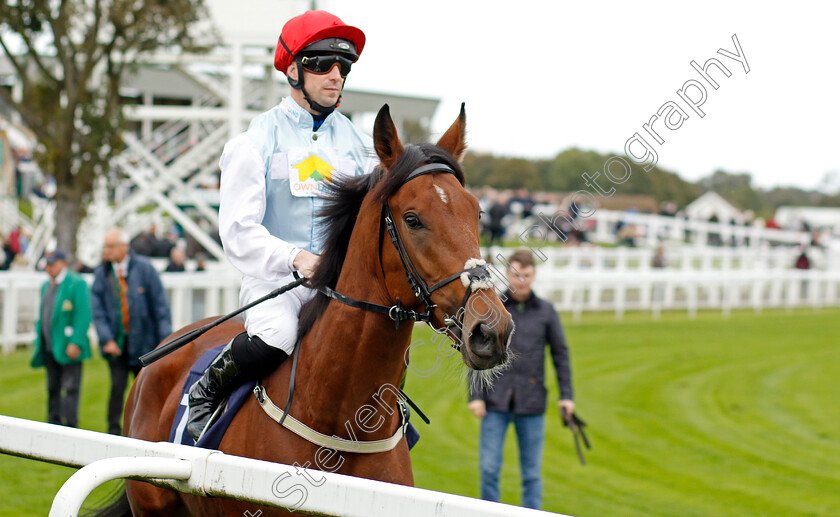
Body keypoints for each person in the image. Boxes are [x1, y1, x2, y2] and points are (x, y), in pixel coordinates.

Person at [185, 10, 377, 441]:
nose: (335, 76)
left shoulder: (360, 147)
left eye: (342, 67)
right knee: (277, 336)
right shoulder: (253, 144)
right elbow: (237, 232)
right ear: (292, 70)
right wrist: (295, 258)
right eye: (321, 64)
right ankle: (206, 392)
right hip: (274, 283)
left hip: (336, 285)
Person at [468, 249, 575, 510]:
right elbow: (476, 350)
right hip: (495, 401)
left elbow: (560, 354)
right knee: (489, 469)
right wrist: (475, 396)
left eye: (526, 274)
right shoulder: (494, 308)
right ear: (508, 273)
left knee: (532, 475)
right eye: (516, 274)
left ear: (534, 274)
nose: (521, 280)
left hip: (532, 402)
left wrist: (567, 396)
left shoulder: (546, 312)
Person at [91, 228, 172, 434]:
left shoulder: (145, 269)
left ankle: (146, 430)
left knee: (145, 390)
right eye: (106, 246)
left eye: (111, 246)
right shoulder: (102, 274)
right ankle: (113, 432)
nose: (107, 251)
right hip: (117, 345)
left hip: (145, 343)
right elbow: (97, 311)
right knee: (117, 389)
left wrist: (165, 340)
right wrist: (106, 339)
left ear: (124, 247)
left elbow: (160, 306)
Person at [30, 249, 92, 428]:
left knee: (71, 388)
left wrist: (76, 342)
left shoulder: (77, 284)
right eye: (47, 265)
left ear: (63, 263)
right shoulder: (46, 287)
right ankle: (53, 424)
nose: (49, 268)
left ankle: (71, 426)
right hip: (50, 347)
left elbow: (83, 315)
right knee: (52, 388)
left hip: (69, 347)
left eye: (52, 264)